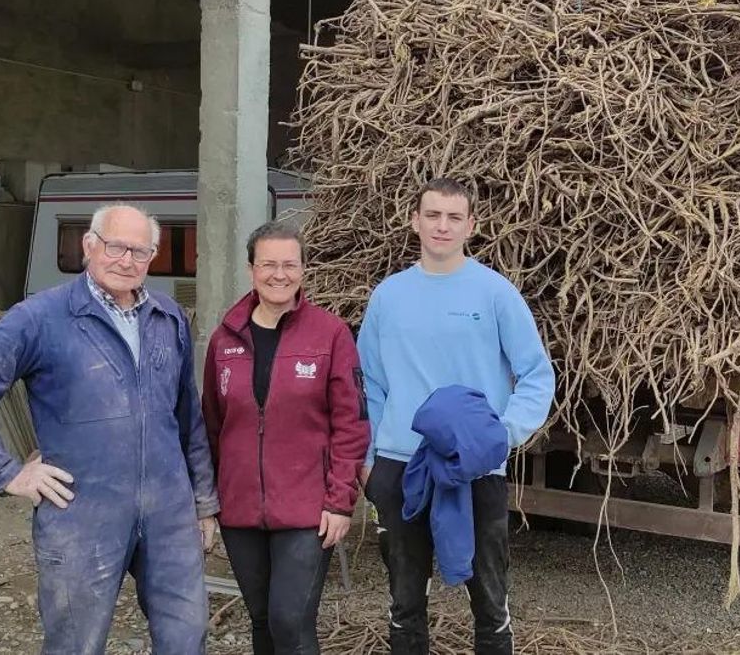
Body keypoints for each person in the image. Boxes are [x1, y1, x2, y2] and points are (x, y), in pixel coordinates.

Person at [0, 204, 218, 654]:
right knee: (75, 644)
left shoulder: (168, 317)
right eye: (115, 246)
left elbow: (187, 417)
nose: (126, 260)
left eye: (140, 252)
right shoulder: (40, 318)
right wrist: (8, 473)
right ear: (89, 246)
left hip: (169, 511)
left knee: (186, 635)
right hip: (83, 512)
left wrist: (202, 501)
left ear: (153, 256)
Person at [357, 177, 555, 654]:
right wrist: (369, 457)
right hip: (401, 463)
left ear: (471, 225)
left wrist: (500, 435)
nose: (441, 227)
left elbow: (535, 374)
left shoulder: (495, 293)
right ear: (414, 221)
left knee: (488, 595)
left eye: (453, 217)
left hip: (474, 468)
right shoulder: (389, 296)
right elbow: (370, 384)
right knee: (405, 598)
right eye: (432, 215)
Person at [202, 220, 370, 654]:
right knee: (262, 621)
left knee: (290, 621)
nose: (279, 274)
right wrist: (208, 499)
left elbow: (351, 424)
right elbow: (211, 425)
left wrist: (340, 500)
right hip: (240, 511)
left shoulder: (330, 334)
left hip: (307, 508)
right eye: (268, 264)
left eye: (289, 265)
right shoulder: (224, 339)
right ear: (251, 268)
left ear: (303, 269)